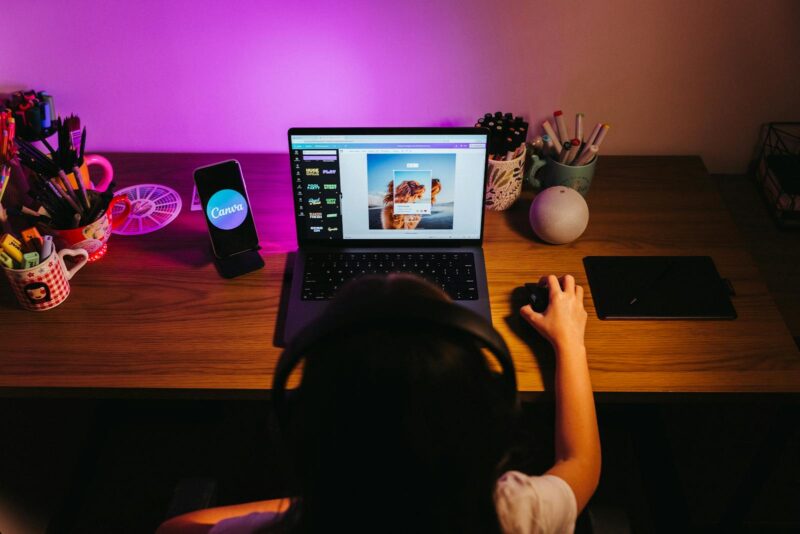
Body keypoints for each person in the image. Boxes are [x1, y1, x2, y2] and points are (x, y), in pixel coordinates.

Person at [158, 274, 600, 534]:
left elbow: (175, 529)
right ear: (493, 422)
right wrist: (569, 342)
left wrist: (313, 500)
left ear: (299, 431)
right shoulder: (517, 511)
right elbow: (580, 463)